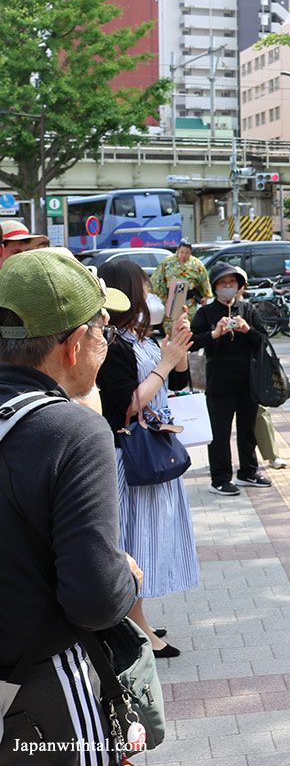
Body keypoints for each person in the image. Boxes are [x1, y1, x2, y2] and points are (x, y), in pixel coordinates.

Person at [0, 247, 141, 762]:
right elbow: (96, 600)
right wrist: (126, 575)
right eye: (102, 328)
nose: (107, 340)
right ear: (75, 344)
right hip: (40, 690)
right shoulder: (73, 432)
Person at [95, 260, 197, 659]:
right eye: (143, 285)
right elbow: (124, 404)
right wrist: (165, 361)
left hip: (154, 451)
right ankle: (137, 629)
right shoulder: (111, 344)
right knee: (134, 542)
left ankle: (141, 620)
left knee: (146, 538)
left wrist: (177, 345)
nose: (151, 292)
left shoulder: (142, 337)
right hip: (132, 457)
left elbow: (181, 383)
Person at [190, 261, 273, 494]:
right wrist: (214, 333)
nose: (228, 287)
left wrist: (247, 330)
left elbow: (264, 342)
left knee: (247, 428)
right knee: (220, 432)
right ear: (215, 287)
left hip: (248, 380)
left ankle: (248, 471)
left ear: (239, 286)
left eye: (232, 283)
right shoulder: (206, 313)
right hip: (218, 382)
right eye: (223, 283)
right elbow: (193, 342)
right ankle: (220, 478)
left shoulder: (248, 310)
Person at [149, 239, 212, 336]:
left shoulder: (196, 264)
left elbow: (204, 281)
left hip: (190, 300)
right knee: (171, 326)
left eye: (187, 253)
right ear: (178, 250)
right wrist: (162, 298)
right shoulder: (167, 262)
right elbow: (157, 280)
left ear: (190, 252)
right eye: (182, 252)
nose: (184, 255)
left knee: (190, 326)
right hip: (172, 298)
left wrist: (205, 295)